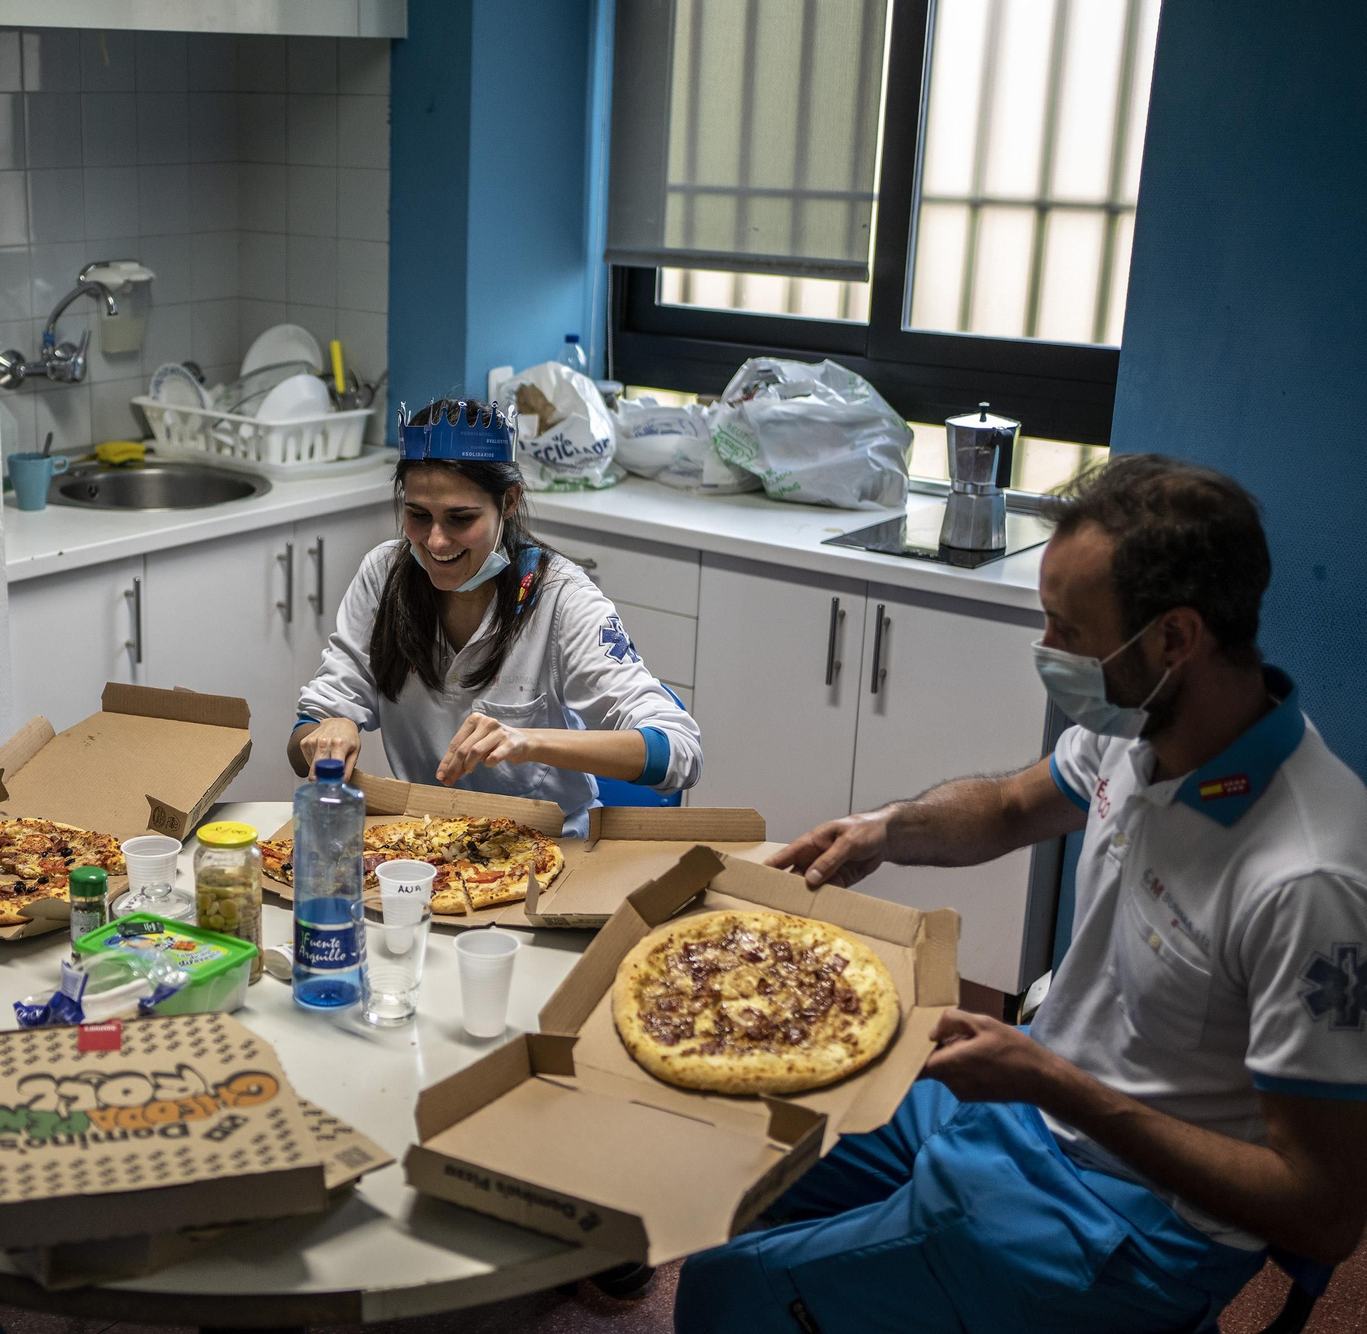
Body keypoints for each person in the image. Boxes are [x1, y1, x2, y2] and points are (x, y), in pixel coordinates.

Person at [673, 456, 1367, 1334]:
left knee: (724, 1294)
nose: (1046, 650)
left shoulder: (1311, 879)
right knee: (751, 1147)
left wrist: (1054, 1082)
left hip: (1129, 1212)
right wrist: (882, 831)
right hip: (1039, 1100)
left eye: (1068, 629)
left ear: (1174, 638)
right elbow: (1006, 807)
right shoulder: (1146, 729)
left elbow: (1325, 1213)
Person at [290, 398, 701, 836]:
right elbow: (301, 747)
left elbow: (680, 751)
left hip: (551, 853)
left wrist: (530, 742)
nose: (435, 540)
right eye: (417, 515)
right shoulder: (382, 577)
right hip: (428, 847)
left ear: (508, 501)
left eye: (460, 518)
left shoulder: (561, 599)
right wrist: (327, 730)